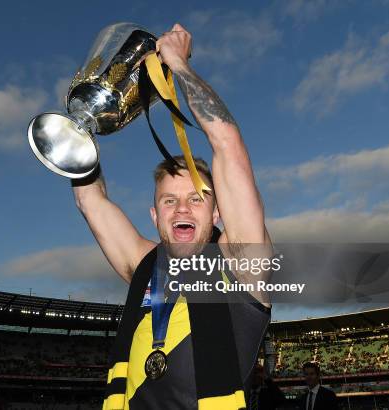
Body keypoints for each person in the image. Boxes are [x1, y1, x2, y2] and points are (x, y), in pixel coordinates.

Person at [72, 23, 273, 410]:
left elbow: (227, 146)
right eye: (169, 201)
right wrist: (79, 129)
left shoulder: (242, 262)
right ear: (154, 215)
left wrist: (179, 66)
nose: (181, 208)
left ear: (218, 212)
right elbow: (91, 202)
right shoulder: (142, 264)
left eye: (197, 199)